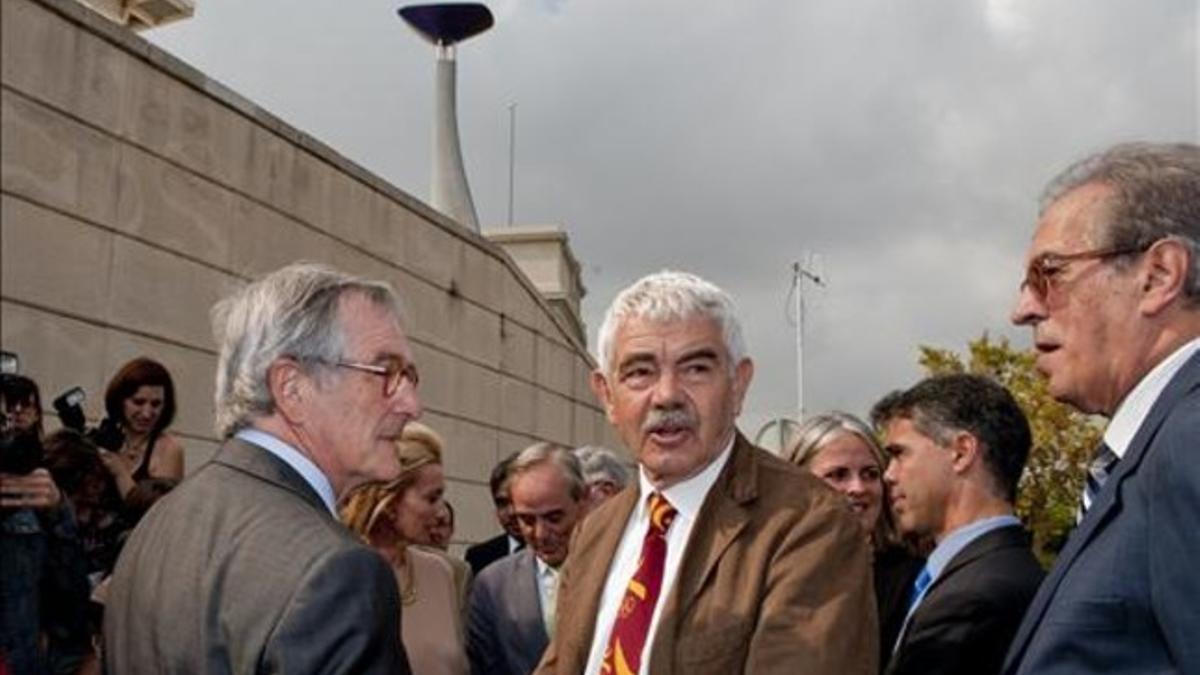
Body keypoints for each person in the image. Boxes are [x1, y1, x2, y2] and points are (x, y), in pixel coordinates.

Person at [535, 270, 876, 675]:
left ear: (738, 384)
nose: (666, 395)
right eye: (640, 372)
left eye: (695, 368)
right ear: (607, 395)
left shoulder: (810, 523)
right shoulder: (596, 531)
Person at [104, 262, 421, 674]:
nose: (412, 404)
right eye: (387, 372)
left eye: (410, 377)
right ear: (292, 388)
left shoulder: (156, 524)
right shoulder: (339, 572)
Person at [1004, 142, 1200, 674]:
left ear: (1159, 276)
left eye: (1050, 273)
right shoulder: (1156, 450)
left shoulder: (1190, 441)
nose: (1023, 309)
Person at [871, 374, 1044, 675]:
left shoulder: (974, 599)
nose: (889, 475)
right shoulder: (1002, 574)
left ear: (961, 452)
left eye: (900, 454)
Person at [784, 411, 924, 671]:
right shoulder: (768, 574)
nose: (858, 488)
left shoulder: (912, 581)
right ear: (796, 482)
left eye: (870, 474)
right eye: (838, 475)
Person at [342, 421, 468, 675]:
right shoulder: (339, 575)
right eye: (431, 498)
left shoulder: (441, 573)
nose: (442, 512)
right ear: (388, 502)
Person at [468, 443, 587, 675]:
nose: (540, 534)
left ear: (581, 503)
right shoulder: (493, 586)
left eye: (554, 518)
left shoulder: (619, 571)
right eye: (527, 521)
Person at [1, 375, 90, 675]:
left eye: (23, 408)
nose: (14, 418)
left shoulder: (37, 491)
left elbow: (69, 602)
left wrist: (58, 512)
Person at [97, 358, 185, 500]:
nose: (147, 413)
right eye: (138, 402)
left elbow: (157, 514)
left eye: (156, 404)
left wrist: (119, 472)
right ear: (121, 401)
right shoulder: (106, 437)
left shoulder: (170, 449)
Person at [465, 452, 525, 576]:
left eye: (517, 500)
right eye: (502, 503)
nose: (511, 512)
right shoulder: (479, 557)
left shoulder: (559, 551)